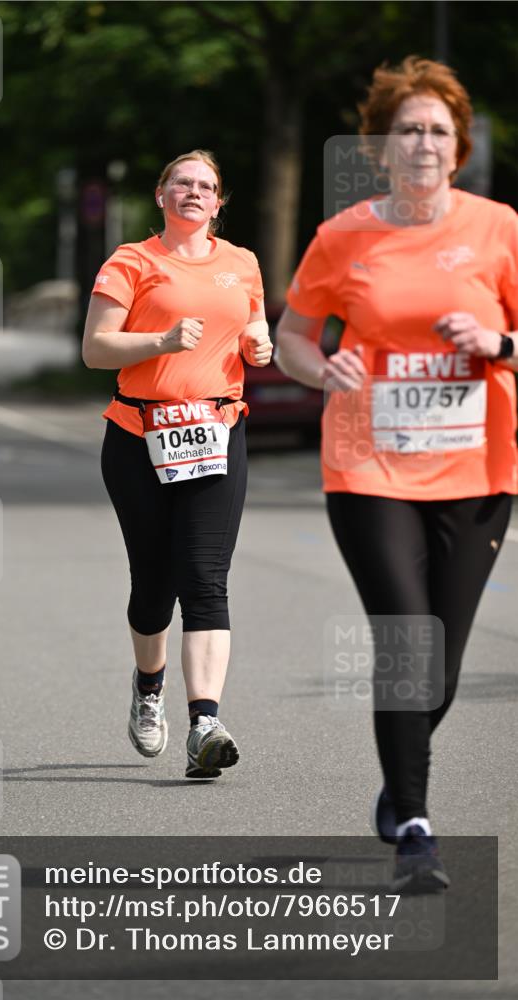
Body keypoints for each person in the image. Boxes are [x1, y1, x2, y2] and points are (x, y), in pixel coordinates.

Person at [276, 56, 518, 890]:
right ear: (379, 146)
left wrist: (498, 345)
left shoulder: (498, 229)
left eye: (438, 131)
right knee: (405, 647)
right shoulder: (342, 237)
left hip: (478, 469)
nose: (423, 143)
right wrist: (320, 370)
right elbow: (293, 336)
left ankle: (397, 771)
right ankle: (415, 828)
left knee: (441, 666)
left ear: (460, 147)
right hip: (368, 466)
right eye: (407, 130)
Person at [82, 149, 272, 779]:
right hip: (140, 436)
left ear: (219, 203)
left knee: (205, 578)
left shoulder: (241, 263)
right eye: (183, 183)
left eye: (208, 186)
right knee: (153, 584)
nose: (195, 192)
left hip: (217, 433)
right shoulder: (131, 262)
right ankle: (148, 685)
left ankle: (205, 724)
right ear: (161, 194)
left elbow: (254, 327)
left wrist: (260, 343)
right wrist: (161, 342)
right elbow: (95, 348)